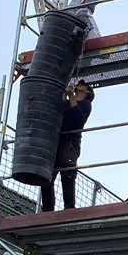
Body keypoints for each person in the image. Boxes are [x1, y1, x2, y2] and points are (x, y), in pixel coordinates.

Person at [43, 80, 94, 213]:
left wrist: (70, 96)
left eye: (82, 84)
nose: (79, 84)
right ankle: (48, 210)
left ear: (87, 91)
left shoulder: (86, 104)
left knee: (68, 174)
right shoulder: (66, 103)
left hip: (70, 143)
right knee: (46, 177)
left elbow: (78, 119)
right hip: (57, 142)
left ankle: (69, 209)